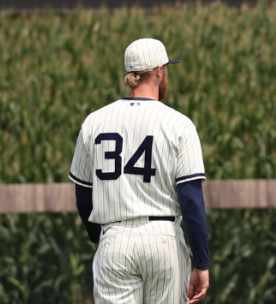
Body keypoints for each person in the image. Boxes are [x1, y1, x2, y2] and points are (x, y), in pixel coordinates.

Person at [69, 38, 211, 304]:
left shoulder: (94, 122)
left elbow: (82, 195)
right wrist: (201, 262)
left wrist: (98, 239)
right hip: (163, 239)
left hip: (115, 239)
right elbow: (191, 200)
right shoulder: (179, 124)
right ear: (159, 71)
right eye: (166, 69)